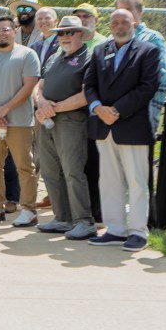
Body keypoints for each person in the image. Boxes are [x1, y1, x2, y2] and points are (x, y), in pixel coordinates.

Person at [85, 7, 163, 251]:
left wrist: (116, 111)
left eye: (125, 23)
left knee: (137, 182)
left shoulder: (148, 52)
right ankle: (116, 229)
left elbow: (148, 87)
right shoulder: (100, 51)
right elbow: (89, 84)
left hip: (132, 127)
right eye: (116, 23)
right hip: (103, 126)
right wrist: (98, 109)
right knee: (109, 181)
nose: (120, 27)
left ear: (135, 24)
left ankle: (138, 231)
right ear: (110, 26)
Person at [0, 15, 41, 227]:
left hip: (19, 122)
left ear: (14, 31)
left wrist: (5, 109)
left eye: (6, 29)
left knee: (24, 166)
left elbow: (29, 86)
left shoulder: (27, 55)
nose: (1, 33)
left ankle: (29, 210)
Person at [33, 19, 97, 239]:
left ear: (81, 34)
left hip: (71, 120)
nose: (64, 37)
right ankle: (62, 218)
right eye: (61, 33)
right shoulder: (54, 57)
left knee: (72, 170)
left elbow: (86, 94)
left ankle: (84, 221)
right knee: (50, 170)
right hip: (47, 120)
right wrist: (41, 103)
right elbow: (39, 85)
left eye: (70, 32)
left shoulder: (88, 58)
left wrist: (55, 108)